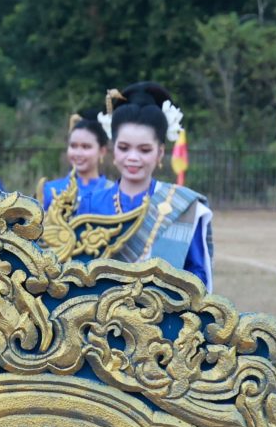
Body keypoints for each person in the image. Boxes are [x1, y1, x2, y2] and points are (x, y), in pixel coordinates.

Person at [74, 84, 212, 285]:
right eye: (124, 148)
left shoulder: (184, 206)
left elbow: (198, 276)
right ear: (113, 149)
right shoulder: (90, 203)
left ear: (160, 153)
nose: (133, 157)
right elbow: (78, 269)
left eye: (144, 150)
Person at [40, 114, 104, 208]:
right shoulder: (50, 190)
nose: (78, 153)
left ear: (102, 151)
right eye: (73, 146)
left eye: (86, 147)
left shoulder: (113, 193)